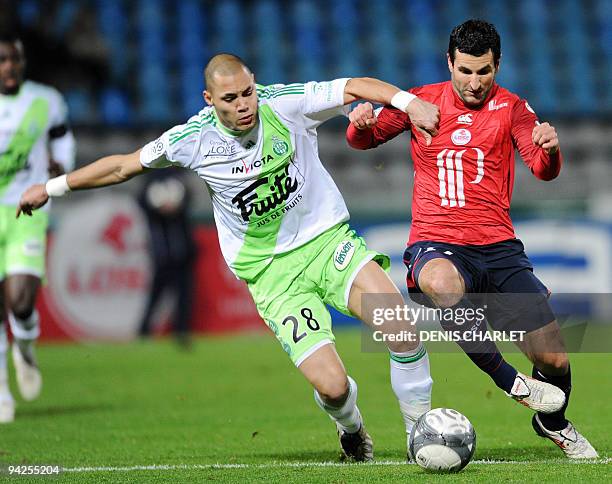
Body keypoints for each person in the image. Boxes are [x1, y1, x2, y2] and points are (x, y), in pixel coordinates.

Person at [18, 54, 440, 461]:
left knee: (398, 324)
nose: (243, 105)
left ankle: (417, 432)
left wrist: (409, 102)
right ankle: (351, 428)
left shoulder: (284, 104)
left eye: (247, 93)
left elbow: (355, 86)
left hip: (328, 243)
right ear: (209, 100)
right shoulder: (192, 140)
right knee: (332, 387)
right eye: (230, 99)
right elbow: (123, 167)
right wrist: (54, 188)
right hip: (271, 274)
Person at [346, 19, 597, 459]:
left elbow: (541, 168)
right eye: (465, 70)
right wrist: (362, 123)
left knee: (555, 360)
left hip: (499, 249)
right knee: (442, 285)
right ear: (450, 62)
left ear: (497, 65)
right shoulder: (420, 101)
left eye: (484, 71)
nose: (474, 82)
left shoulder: (514, 108)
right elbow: (360, 140)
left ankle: (552, 422)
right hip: (437, 241)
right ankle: (511, 382)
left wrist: (551, 150)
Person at [0, 32, 75, 423]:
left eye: (14, 59)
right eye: (2, 60)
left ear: (23, 62)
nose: (9, 67)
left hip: (25, 208)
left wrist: (60, 168)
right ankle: (0, 392)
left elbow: (62, 140)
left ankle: (25, 347)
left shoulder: (45, 100)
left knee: (21, 301)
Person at [137, 169, 196, 347]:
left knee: (184, 296)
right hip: (162, 255)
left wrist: (178, 203)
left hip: (183, 253)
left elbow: (188, 197)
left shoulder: (177, 176)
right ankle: (144, 332)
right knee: (156, 295)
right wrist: (157, 206)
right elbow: (142, 201)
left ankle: (182, 332)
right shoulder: (151, 179)